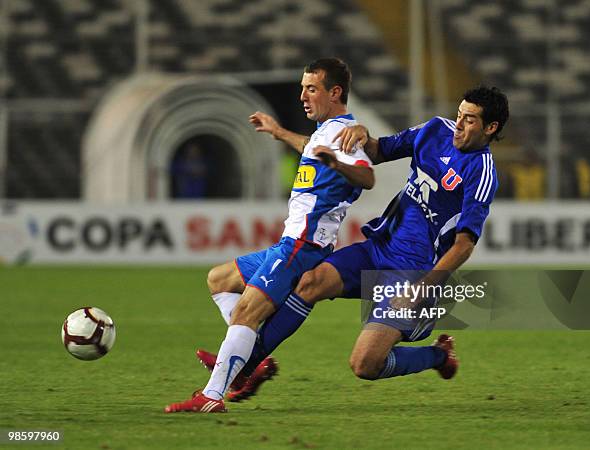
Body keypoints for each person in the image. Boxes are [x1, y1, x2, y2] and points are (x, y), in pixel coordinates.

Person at [220, 85, 509, 395]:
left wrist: (424, 287)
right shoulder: (436, 129)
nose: (459, 124)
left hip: (413, 272)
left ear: (490, 128)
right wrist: (361, 134)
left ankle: (438, 355)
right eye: (460, 114)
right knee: (309, 281)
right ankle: (244, 368)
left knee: (364, 365)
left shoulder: (482, 173)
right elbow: (379, 151)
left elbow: (464, 243)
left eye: (470, 120)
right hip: (378, 248)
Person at [165, 57, 375, 413]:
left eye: (311, 89)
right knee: (219, 279)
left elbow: (367, 177)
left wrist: (337, 164)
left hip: (303, 246)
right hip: (290, 243)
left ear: (335, 92)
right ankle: (251, 360)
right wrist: (279, 133)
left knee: (246, 312)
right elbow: (312, 147)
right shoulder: (325, 133)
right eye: (302, 89)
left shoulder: (345, 136)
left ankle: (212, 396)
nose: (303, 97)